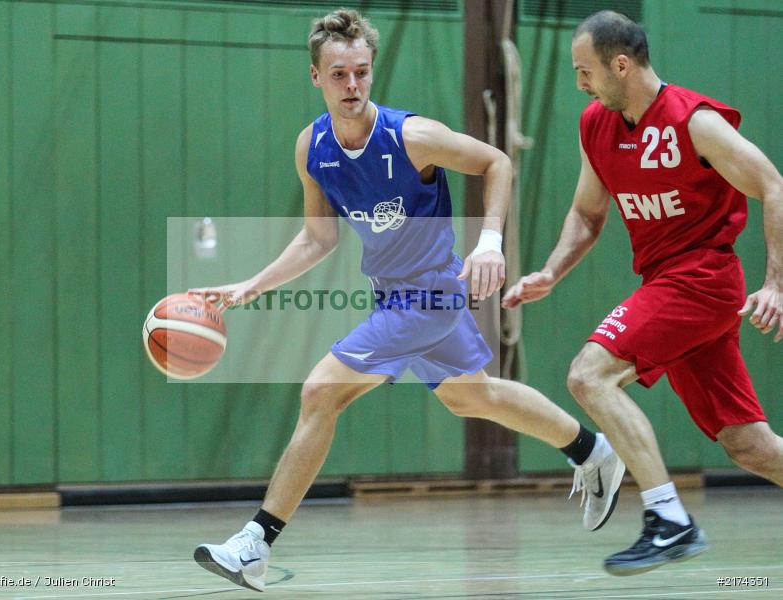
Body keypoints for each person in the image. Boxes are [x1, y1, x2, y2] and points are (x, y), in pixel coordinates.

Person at [191, 9, 626, 592]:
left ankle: (256, 545)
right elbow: (318, 237)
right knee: (473, 396)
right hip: (393, 295)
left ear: (373, 72)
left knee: (320, 392)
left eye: (362, 73)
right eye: (339, 74)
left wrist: (490, 243)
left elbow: (496, 162)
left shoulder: (410, 136)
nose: (352, 86)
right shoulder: (312, 148)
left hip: (431, 294)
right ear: (315, 77)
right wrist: (250, 286)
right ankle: (592, 450)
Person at [503, 10, 783, 577]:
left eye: (586, 71)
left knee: (588, 375)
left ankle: (668, 519)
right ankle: (671, 519)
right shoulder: (595, 125)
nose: (580, 82)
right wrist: (552, 273)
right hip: (666, 283)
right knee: (748, 445)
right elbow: (587, 213)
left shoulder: (694, 121)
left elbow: (773, 184)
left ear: (621, 65)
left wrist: (776, 282)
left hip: (701, 278)